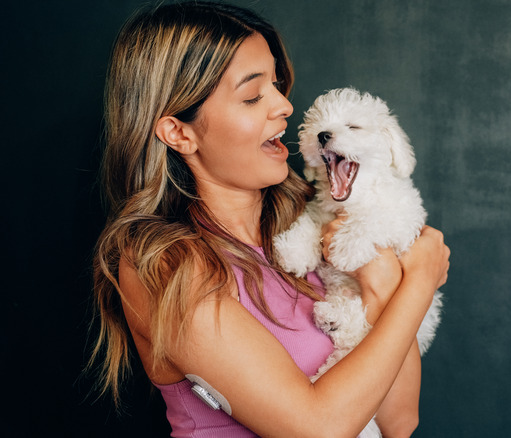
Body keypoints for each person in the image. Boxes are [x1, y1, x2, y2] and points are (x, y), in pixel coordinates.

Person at [89, 1, 450, 437]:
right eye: (252, 95)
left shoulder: (312, 225)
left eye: (278, 86)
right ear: (179, 133)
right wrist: (418, 282)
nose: (283, 106)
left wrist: (379, 287)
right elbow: (318, 430)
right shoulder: (163, 265)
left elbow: (398, 421)